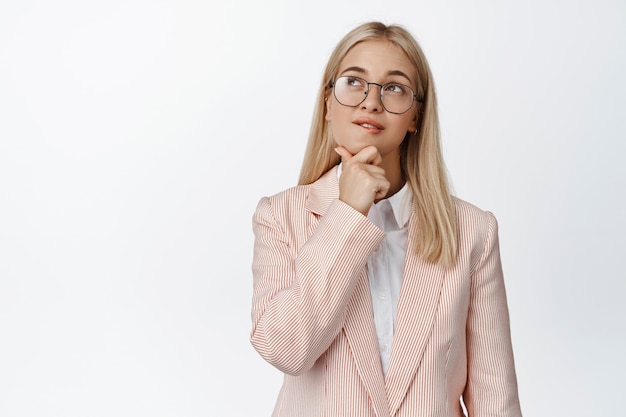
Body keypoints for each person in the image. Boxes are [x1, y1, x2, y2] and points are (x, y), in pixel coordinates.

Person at [250, 21, 522, 417]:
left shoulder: (472, 231)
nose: (371, 102)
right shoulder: (279, 216)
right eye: (353, 82)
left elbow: (495, 397)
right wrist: (347, 215)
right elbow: (285, 347)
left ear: (415, 116)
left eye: (394, 87)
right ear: (327, 103)